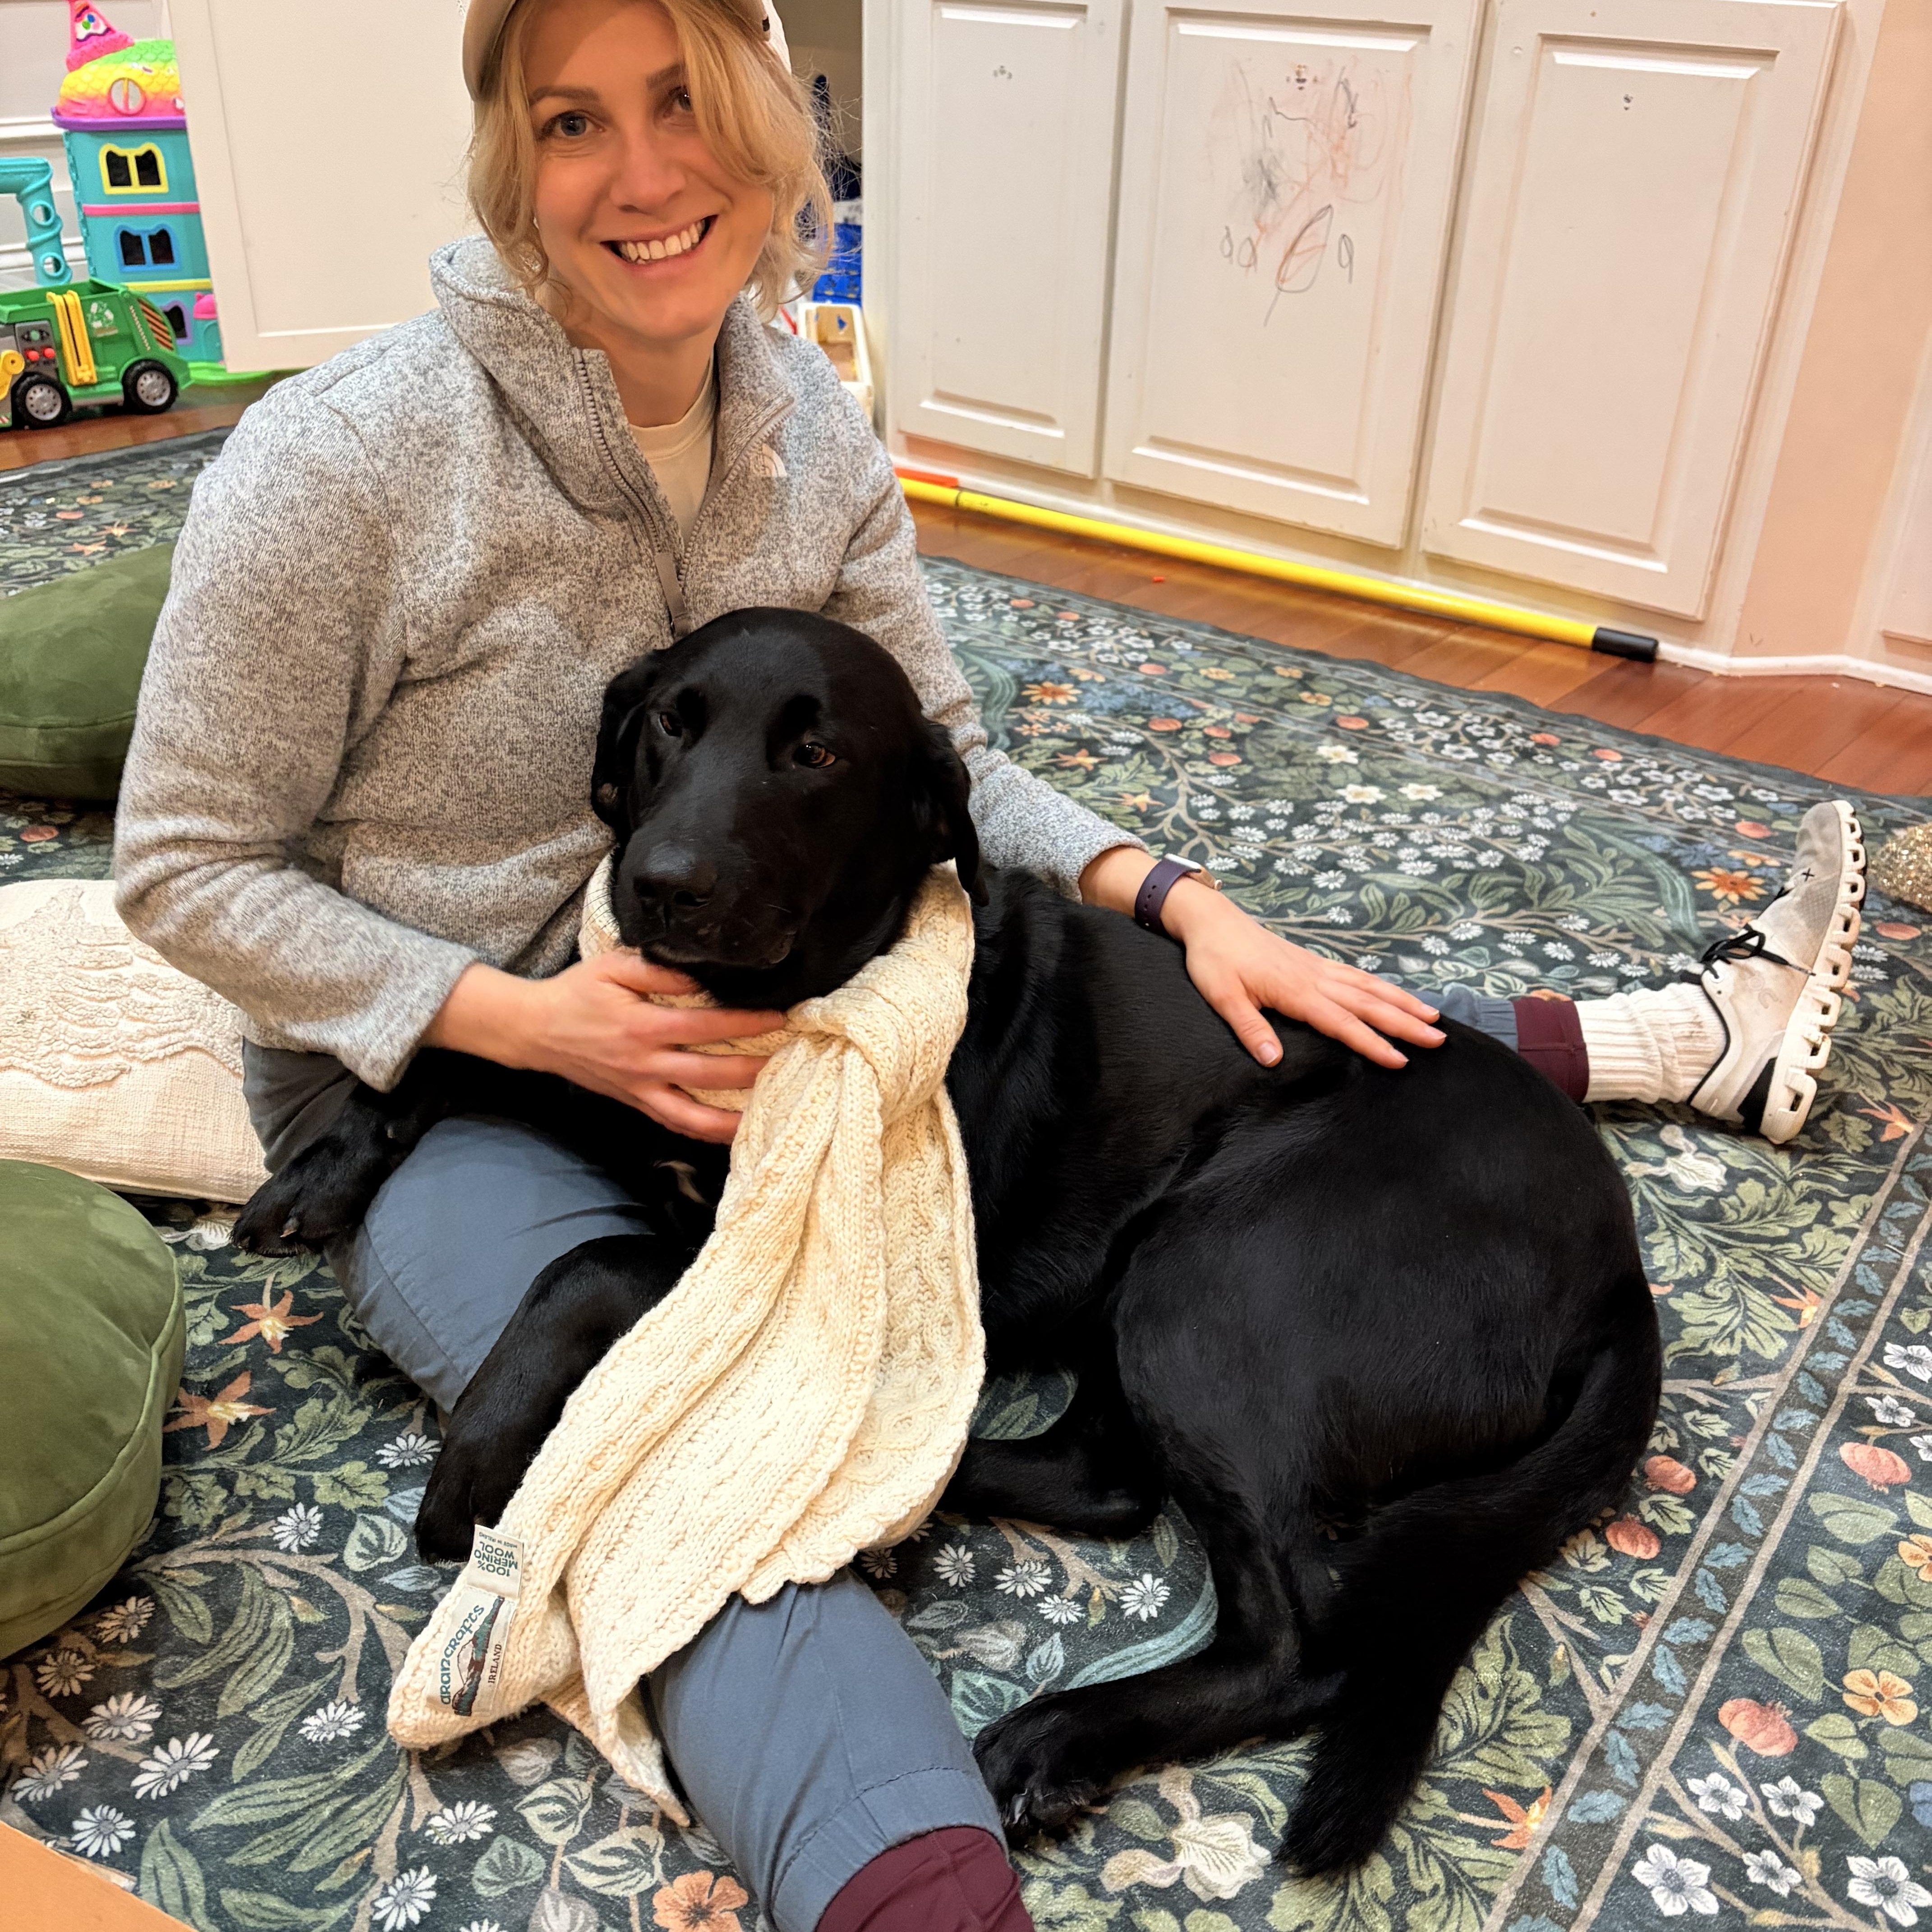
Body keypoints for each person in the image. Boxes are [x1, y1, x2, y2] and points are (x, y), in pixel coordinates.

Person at [109, 0, 1865, 1924]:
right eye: (572, 119)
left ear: (768, 129)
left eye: (684, 100)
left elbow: (948, 760)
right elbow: (182, 866)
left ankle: (1646, 1042)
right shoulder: (340, 461)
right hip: (448, 1054)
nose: (643, 171)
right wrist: (515, 1020)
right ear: (509, 161)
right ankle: (908, 1868)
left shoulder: (804, 423)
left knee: (1262, 1014)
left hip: (785, 993)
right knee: (682, 1430)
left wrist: (1180, 896)